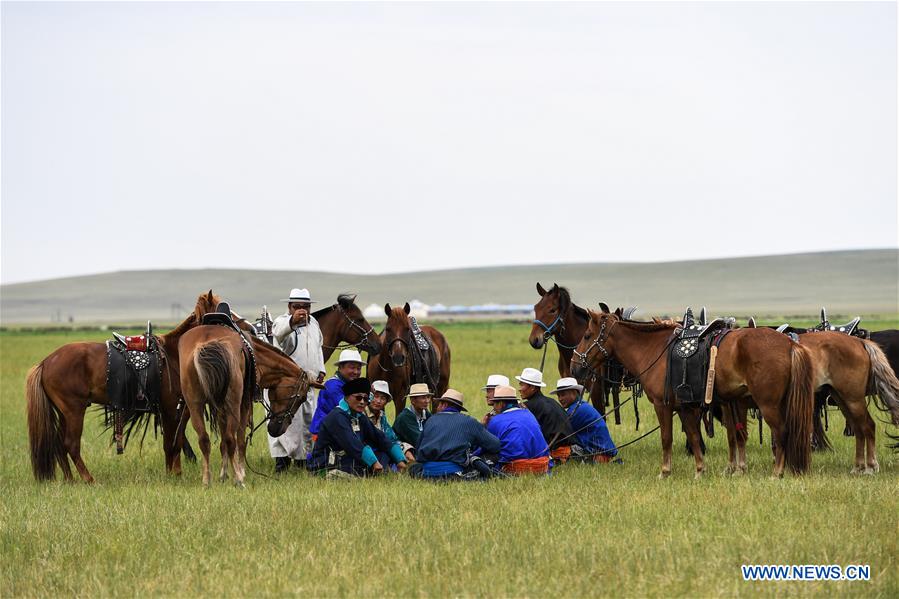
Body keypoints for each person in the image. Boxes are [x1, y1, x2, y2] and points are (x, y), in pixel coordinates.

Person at [268, 287, 326, 473]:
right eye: (297, 306)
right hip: (286, 385)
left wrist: (321, 370)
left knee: (308, 421)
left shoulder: (314, 323)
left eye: (305, 306)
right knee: (287, 422)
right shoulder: (282, 322)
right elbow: (280, 336)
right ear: (290, 307)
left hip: (309, 383)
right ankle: (282, 460)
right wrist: (293, 322)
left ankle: (303, 459)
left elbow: (318, 348)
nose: (302, 310)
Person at [307, 377, 407, 477]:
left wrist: (399, 458)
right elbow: (352, 444)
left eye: (366, 399)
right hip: (326, 465)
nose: (362, 402)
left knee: (384, 454)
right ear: (346, 397)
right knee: (362, 466)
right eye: (358, 398)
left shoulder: (359, 416)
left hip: (347, 459)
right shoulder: (337, 416)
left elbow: (379, 437)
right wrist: (374, 463)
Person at [411, 389, 501, 480]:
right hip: (453, 473)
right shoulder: (468, 421)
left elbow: (418, 448)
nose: (437, 407)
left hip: (427, 473)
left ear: (444, 405)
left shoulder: (430, 420)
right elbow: (495, 445)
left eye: (439, 404)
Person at [552, 377, 619, 463]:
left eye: (563, 394)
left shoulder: (575, 410)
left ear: (574, 392)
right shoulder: (580, 406)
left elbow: (561, 434)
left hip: (599, 455)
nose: (560, 399)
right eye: (559, 396)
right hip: (603, 453)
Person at [515, 367, 574, 463]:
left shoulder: (528, 407)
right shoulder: (551, 401)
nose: (519, 389)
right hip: (570, 451)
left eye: (522, 385)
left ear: (533, 387)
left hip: (556, 454)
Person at [309, 349, 365, 448]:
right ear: (340, 367)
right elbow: (349, 409)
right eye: (352, 368)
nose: (356, 372)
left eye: (358, 368)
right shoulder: (333, 386)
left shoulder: (348, 385)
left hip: (337, 433)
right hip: (324, 438)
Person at [367, 380, 415, 463]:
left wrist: (406, 450)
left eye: (383, 398)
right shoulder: (362, 414)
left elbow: (392, 438)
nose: (378, 401)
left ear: (386, 402)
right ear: (369, 397)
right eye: (376, 396)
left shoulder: (382, 416)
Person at [393, 383, 432, 449]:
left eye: (428, 397)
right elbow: (418, 441)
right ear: (413, 400)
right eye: (423, 398)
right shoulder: (405, 417)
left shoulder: (426, 414)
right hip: (401, 448)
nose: (427, 401)